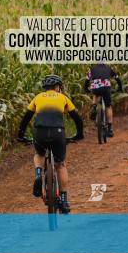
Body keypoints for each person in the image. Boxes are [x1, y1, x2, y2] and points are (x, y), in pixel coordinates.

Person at [17, 74, 84, 214]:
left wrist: (21, 135)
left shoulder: (38, 97)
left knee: (39, 154)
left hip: (40, 132)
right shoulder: (63, 98)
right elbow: (76, 117)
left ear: (45, 88)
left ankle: (38, 174)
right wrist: (79, 134)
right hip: (57, 133)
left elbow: (26, 118)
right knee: (60, 164)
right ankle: (64, 200)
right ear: (58, 87)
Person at [84, 62, 122, 137]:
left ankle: (94, 107)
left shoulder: (92, 69)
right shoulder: (108, 68)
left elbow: (87, 80)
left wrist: (86, 89)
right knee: (108, 107)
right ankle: (110, 129)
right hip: (106, 87)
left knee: (95, 94)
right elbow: (117, 78)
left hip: (96, 87)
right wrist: (120, 87)